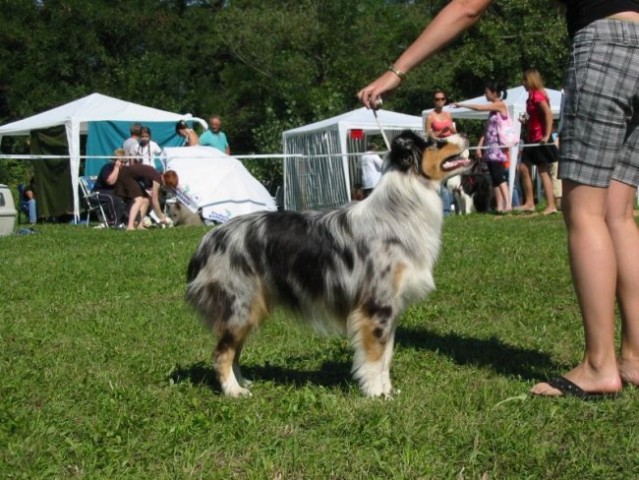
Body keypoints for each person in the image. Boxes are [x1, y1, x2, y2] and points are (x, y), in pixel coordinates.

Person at [357, 0, 639, 400]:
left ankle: (599, 365)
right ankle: (633, 357)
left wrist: (396, 71)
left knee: (586, 211)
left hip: (605, 42)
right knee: (620, 214)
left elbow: (468, 7)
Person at [454, 81, 512, 213]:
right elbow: (487, 130)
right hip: (490, 148)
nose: (485, 94)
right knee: (494, 178)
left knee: (499, 177)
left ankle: (508, 204)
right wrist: (481, 146)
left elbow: (480, 108)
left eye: (487, 92)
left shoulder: (500, 104)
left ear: (493, 93)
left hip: (498, 148)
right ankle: (500, 205)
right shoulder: (493, 108)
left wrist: (462, 105)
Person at [515, 68, 558, 215]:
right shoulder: (531, 96)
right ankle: (529, 203)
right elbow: (535, 116)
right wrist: (526, 120)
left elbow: (548, 114)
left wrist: (547, 134)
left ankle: (551, 205)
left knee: (543, 170)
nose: (523, 83)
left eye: (524, 80)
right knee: (523, 168)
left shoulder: (538, 95)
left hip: (540, 138)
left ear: (530, 80)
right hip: (531, 137)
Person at [425, 89, 457, 215]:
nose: (440, 102)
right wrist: (441, 131)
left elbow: (455, 132)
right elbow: (429, 136)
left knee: (453, 179)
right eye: (437, 99)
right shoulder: (430, 116)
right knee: (441, 179)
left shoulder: (448, 115)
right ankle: (445, 209)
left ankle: (454, 207)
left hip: (450, 147)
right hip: (438, 148)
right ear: (434, 101)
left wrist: (451, 130)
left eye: (442, 99)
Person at [115, 162, 170, 230]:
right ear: (165, 181)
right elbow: (155, 200)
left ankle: (139, 225)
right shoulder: (157, 178)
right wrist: (161, 217)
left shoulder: (156, 175)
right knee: (139, 199)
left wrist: (160, 214)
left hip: (131, 177)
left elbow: (152, 199)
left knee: (146, 200)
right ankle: (130, 226)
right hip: (125, 175)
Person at [92, 149, 128, 226]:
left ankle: (128, 220)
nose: (124, 164)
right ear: (115, 161)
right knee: (114, 197)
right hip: (99, 192)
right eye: (121, 162)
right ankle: (115, 222)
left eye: (125, 162)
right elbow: (110, 182)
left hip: (113, 192)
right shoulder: (107, 167)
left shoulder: (124, 170)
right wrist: (117, 168)